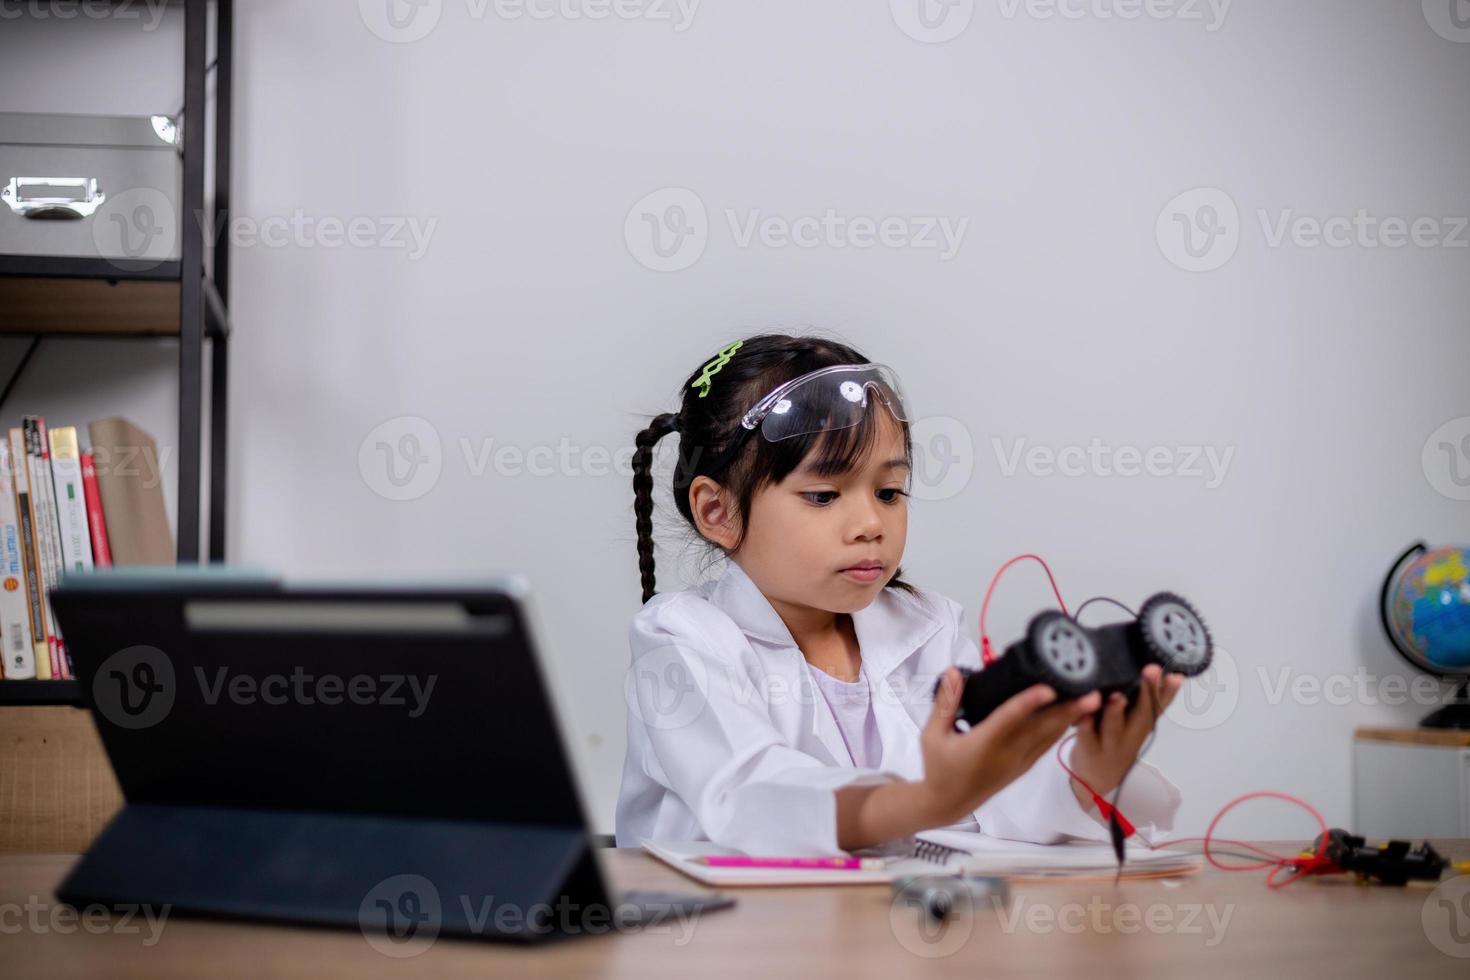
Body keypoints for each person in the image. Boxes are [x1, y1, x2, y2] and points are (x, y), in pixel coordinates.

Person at [615, 333, 1183, 855]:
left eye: (889, 491)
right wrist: (933, 800)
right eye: (822, 495)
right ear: (718, 511)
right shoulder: (682, 638)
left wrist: (1086, 770)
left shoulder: (928, 628)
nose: (870, 523)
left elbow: (996, 797)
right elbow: (751, 799)